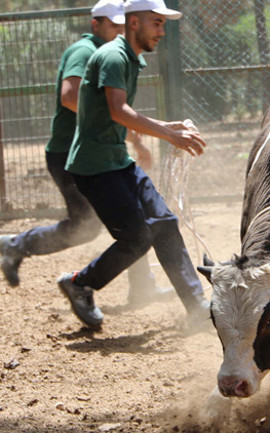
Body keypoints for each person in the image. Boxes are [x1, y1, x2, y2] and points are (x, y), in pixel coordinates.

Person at [0, 0, 171, 308]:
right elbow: (70, 97)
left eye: (123, 25)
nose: (119, 30)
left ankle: (142, 288)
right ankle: (16, 245)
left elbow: (114, 111)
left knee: (122, 218)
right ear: (95, 24)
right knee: (87, 227)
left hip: (94, 153)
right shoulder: (85, 51)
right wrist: (121, 125)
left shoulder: (117, 56)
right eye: (113, 25)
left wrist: (132, 136)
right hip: (72, 154)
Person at [57, 0, 210, 329]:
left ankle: (196, 305)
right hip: (95, 167)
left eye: (163, 24)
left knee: (164, 222)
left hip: (115, 161)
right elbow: (118, 111)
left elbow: (117, 113)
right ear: (135, 22)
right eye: (156, 22)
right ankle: (80, 284)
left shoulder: (128, 58)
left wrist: (170, 127)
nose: (161, 30)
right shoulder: (114, 56)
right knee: (138, 237)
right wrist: (169, 135)